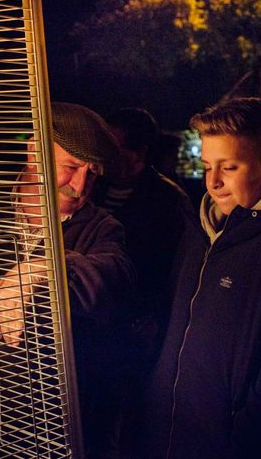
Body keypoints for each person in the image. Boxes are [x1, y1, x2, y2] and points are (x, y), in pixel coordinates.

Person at [137, 98, 261, 458]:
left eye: (229, 167)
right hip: (169, 439)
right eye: (207, 166)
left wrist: (242, 444)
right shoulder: (200, 229)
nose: (213, 182)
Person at [0, 102, 138, 458]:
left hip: (55, 425)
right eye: (71, 167)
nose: (81, 184)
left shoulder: (101, 227)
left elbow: (115, 275)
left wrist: (43, 268)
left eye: (93, 173)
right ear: (33, 151)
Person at [92, 107, 194, 352]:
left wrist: (153, 315)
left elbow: (177, 269)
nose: (102, 154)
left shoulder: (167, 199)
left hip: (138, 327)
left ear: (138, 154)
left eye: (112, 147)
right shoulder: (93, 187)